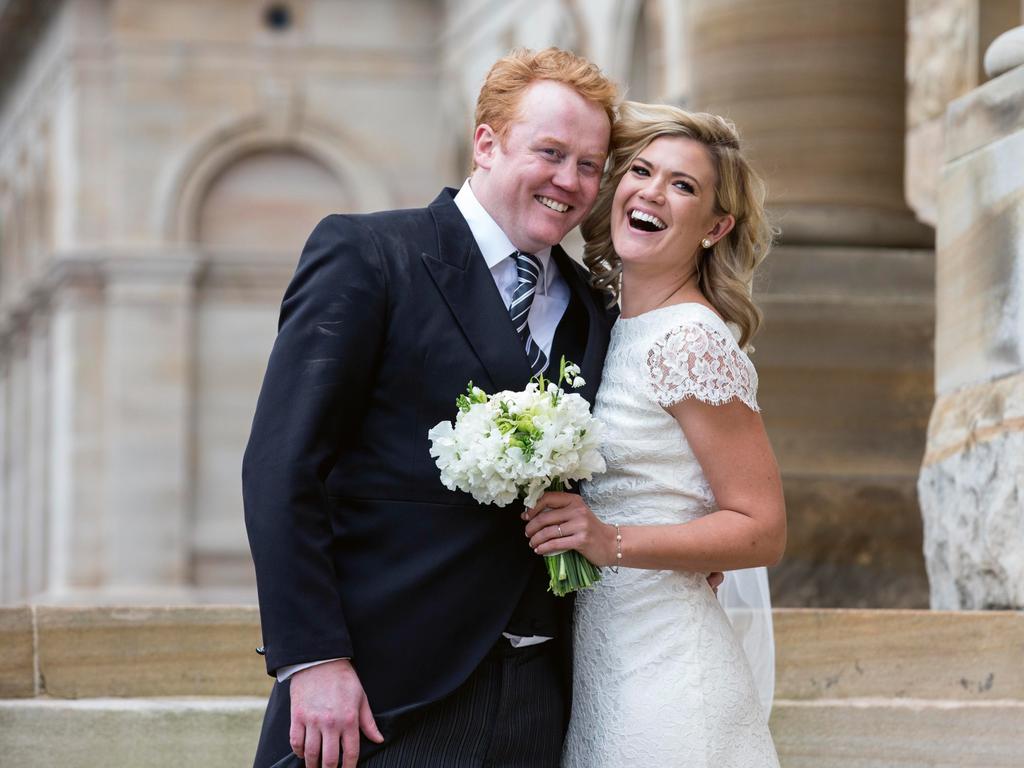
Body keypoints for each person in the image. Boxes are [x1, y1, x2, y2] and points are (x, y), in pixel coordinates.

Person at [242, 48, 620, 768]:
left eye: (590, 165)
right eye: (551, 152)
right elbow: (282, 466)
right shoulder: (370, 256)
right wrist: (313, 658)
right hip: (388, 695)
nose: (570, 182)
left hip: (543, 704)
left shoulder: (595, 309)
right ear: (486, 142)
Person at [522, 101, 786, 767]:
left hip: (670, 679)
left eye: (683, 186)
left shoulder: (690, 339)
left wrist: (609, 539)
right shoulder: (609, 325)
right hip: (604, 667)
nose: (653, 192)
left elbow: (762, 527)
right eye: (642, 170)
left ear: (715, 226)